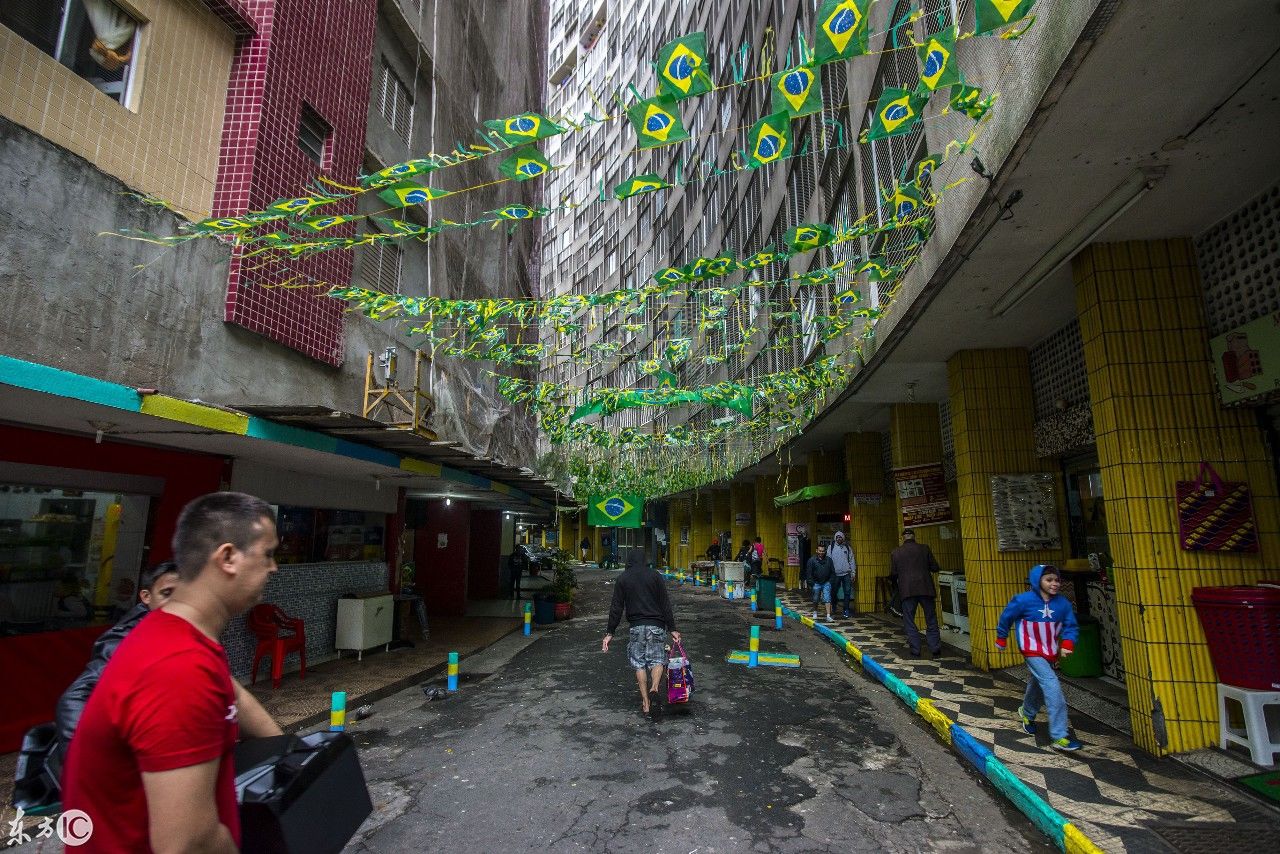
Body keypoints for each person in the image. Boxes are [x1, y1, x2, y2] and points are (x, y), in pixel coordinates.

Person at [62, 492, 285, 853]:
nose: (273, 568)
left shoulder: (185, 641)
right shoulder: (175, 667)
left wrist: (289, 757)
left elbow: (234, 697)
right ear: (228, 557)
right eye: (268, 554)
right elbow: (188, 844)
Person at [12, 562, 182, 813]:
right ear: (146, 597)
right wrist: (90, 769)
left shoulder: (180, 629)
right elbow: (75, 697)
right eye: (167, 594)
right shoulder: (129, 639)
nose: (177, 603)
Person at [995, 564, 1082, 751]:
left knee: (1037, 684)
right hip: (1031, 650)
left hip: (1049, 651)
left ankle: (1026, 713)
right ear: (1038, 581)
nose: (1054, 584)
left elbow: (1071, 626)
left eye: (1057, 580)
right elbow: (1006, 617)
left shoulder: (1062, 604)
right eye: (1049, 579)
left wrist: (1068, 643)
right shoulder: (1023, 601)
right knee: (1052, 684)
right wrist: (1001, 637)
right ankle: (1060, 737)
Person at [602, 554, 680, 715]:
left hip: (636, 627)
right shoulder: (655, 576)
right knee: (657, 661)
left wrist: (610, 632)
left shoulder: (623, 578)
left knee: (639, 664)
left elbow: (616, 607)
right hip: (656, 626)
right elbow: (665, 604)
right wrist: (672, 628)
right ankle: (654, 688)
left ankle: (646, 703)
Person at [889, 528, 943, 657]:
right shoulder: (924, 549)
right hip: (926, 589)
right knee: (931, 619)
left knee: (909, 620)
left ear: (903, 538)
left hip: (907, 591)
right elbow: (935, 567)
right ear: (914, 537)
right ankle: (935, 647)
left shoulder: (896, 552)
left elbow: (893, 574)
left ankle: (915, 649)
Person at [805, 543, 835, 623]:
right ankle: (815, 612)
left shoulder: (829, 560)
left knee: (827, 598)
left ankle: (828, 615)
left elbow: (833, 572)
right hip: (816, 583)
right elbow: (809, 573)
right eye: (820, 551)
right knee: (815, 598)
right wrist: (811, 583)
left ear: (825, 551)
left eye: (823, 551)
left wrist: (830, 581)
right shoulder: (812, 560)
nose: (821, 552)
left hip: (826, 582)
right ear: (816, 551)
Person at [829, 532, 856, 618]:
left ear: (843, 538)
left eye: (840, 537)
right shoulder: (831, 547)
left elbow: (852, 561)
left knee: (847, 592)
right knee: (833, 592)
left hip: (846, 574)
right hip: (835, 574)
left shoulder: (847, 548)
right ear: (835, 538)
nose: (839, 539)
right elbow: (828, 561)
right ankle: (833, 607)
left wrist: (853, 572)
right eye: (837, 537)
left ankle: (846, 609)